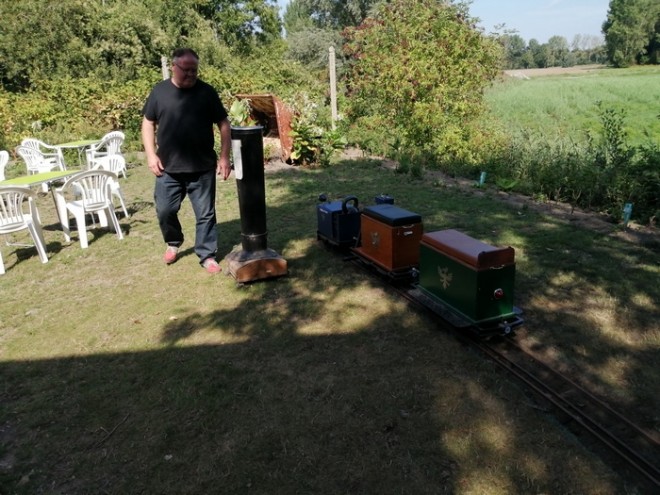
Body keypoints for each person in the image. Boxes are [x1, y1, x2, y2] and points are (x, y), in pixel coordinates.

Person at [141, 47, 232, 274]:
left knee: (205, 214)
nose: (191, 74)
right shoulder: (159, 92)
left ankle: (207, 254)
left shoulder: (207, 93)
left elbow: (224, 124)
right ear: (174, 67)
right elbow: (148, 123)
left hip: (201, 167)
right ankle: (173, 241)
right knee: (165, 210)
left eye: (195, 70)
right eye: (186, 70)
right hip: (168, 168)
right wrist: (151, 154)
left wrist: (224, 157)